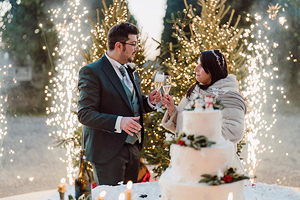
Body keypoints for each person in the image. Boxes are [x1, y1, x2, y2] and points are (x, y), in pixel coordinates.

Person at [77, 22, 161, 186]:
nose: (136, 48)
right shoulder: (92, 72)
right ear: (118, 46)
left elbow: (130, 104)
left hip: (133, 149)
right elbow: (85, 113)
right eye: (133, 44)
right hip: (107, 152)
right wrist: (119, 122)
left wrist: (148, 102)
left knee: (131, 196)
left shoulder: (130, 70)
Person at [161, 49, 247, 171]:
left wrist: (198, 135)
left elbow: (234, 131)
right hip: (186, 163)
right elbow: (183, 128)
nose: (196, 69)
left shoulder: (230, 96)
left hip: (215, 168)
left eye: (201, 66)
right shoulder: (195, 90)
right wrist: (172, 110)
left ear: (212, 69)